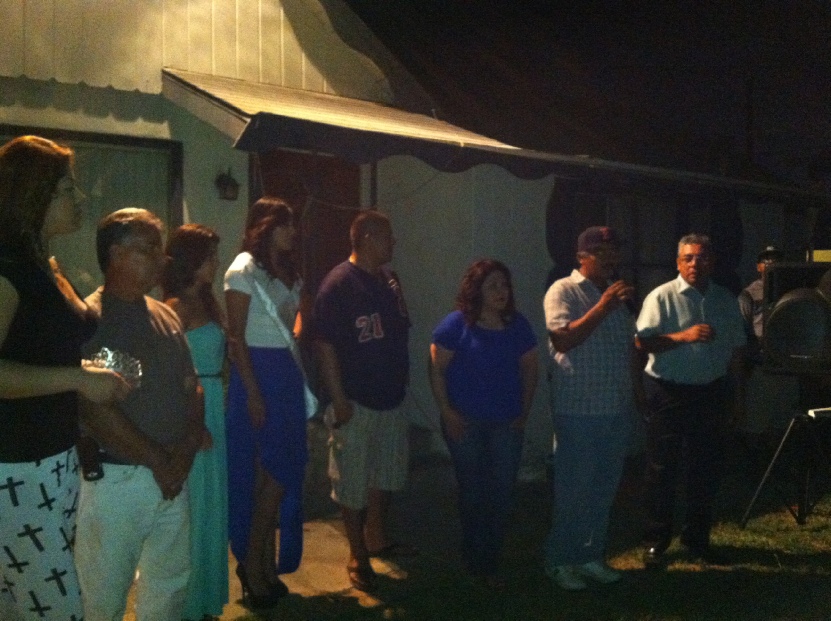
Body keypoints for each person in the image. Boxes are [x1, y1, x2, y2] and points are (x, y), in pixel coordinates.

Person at [0, 136, 130, 621]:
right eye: (66, 189)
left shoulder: (42, 263)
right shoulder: (8, 270)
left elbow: (40, 345)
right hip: (15, 466)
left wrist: (88, 372)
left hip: (51, 459)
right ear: (31, 196)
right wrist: (78, 379)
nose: (80, 197)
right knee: (57, 609)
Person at [74, 208, 205, 621]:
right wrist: (158, 461)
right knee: (103, 596)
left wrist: (184, 451)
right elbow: (93, 411)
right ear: (116, 254)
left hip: (173, 474)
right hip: (116, 481)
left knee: (168, 588)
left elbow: (193, 387)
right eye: (148, 249)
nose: (161, 259)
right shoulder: (88, 320)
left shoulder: (165, 314)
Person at [313, 210, 415, 592]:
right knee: (352, 481)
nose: (394, 242)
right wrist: (338, 398)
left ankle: (377, 539)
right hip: (356, 401)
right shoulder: (339, 284)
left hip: (391, 398)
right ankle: (357, 554)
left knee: (386, 475)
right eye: (388, 236)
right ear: (368, 238)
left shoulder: (389, 281)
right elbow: (324, 345)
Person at [637, 233, 746, 568]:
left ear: (712, 262)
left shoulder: (725, 300)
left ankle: (697, 540)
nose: (695, 264)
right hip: (669, 392)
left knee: (705, 470)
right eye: (688, 258)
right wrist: (684, 336)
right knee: (662, 469)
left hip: (711, 392)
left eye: (701, 257)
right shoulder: (662, 297)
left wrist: (737, 398)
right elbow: (642, 343)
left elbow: (736, 352)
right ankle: (656, 542)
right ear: (678, 262)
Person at [429, 259, 538, 591]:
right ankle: (476, 560)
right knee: (474, 492)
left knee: (502, 492)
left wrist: (524, 411)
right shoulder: (456, 325)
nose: (501, 292)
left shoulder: (517, 326)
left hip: (506, 422)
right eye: (493, 286)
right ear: (476, 290)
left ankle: (491, 558)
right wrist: (447, 412)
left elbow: (530, 369)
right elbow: (436, 368)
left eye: (504, 285)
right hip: (466, 423)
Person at [542, 225, 640, 590]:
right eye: (602, 252)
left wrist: (637, 393)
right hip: (579, 410)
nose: (611, 258)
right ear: (581, 257)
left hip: (616, 407)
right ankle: (559, 560)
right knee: (574, 490)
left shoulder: (616, 294)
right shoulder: (563, 290)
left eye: (615, 251)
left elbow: (629, 347)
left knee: (603, 490)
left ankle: (590, 555)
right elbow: (563, 339)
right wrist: (603, 307)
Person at [224, 197, 308, 608]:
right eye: (285, 224)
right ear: (265, 226)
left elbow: (293, 322)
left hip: (286, 376)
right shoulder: (242, 269)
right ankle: (252, 563)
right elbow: (235, 337)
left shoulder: (288, 269)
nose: (293, 232)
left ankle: (261, 564)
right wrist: (254, 392)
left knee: (278, 473)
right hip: (257, 376)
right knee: (267, 475)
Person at [163, 224, 228, 620]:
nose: (216, 263)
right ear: (192, 261)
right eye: (210, 257)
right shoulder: (174, 307)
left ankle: (206, 601)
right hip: (195, 408)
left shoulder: (207, 301)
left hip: (215, 403)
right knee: (196, 505)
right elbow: (170, 375)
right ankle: (188, 604)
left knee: (212, 504)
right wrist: (193, 422)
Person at [736, 245, 798, 435]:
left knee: (785, 426)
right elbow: (741, 332)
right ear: (758, 266)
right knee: (757, 424)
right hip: (762, 368)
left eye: (776, 260)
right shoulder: (749, 294)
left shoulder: (792, 290)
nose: (771, 264)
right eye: (766, 260)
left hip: (788, 366)